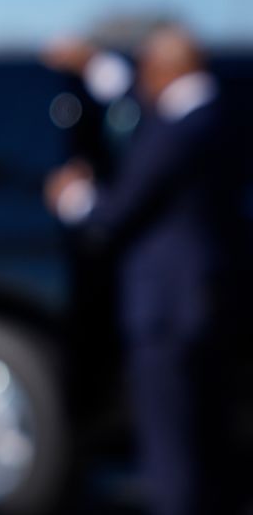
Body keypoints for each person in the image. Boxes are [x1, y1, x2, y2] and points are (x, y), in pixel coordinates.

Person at [46, 25, 246, 515]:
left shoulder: (177, 132)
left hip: (167, 310)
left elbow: (117, 211)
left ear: (163, 71)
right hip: (212, 302)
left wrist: (74, 199)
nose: (139, 83)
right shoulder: (223, 116)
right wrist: (95, 64)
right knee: (211, 437)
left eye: (145, 71)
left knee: (171, 445)